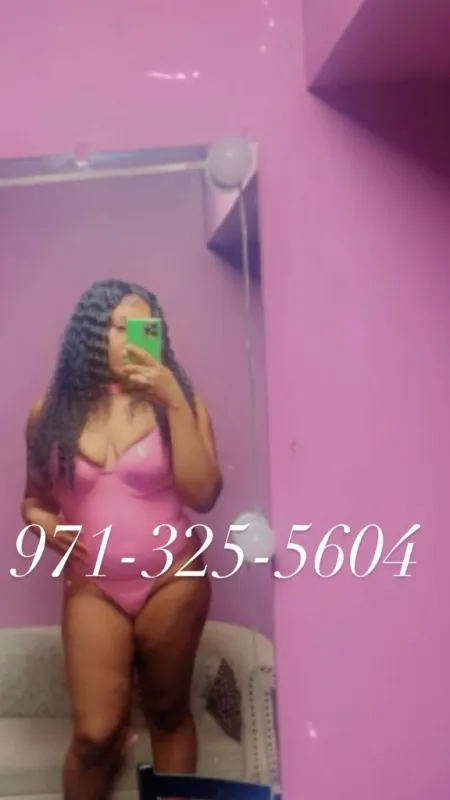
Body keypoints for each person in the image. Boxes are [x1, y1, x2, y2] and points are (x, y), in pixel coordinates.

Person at [22, 279, 223, 800]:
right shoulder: (50, 413)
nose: (135, 337)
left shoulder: (178, 402)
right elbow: (33, 500)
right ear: (92, 334)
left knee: (167, 714)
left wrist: (173, 398)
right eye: (121, 327)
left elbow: (204, 495)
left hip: (173, 579)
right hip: (93, 587)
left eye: (145, 326)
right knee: (95, 735)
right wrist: (42, 523)